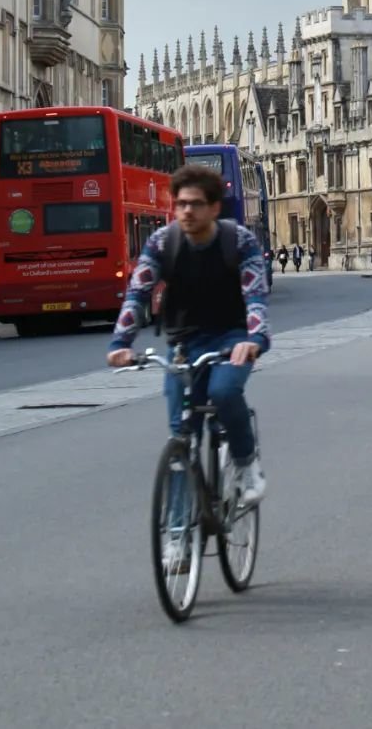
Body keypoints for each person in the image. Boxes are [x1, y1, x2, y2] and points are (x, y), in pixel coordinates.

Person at [106, 163, 269, 508]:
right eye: (180, 204)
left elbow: (255, 296)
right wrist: (121, 343)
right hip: (184, 344)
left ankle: (245, 462)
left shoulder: (239, 241)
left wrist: (254, 340)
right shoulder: (162, 243)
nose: (186, 211)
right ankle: (177, 539)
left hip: (232, 338)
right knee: (181, 436)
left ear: (214, 207)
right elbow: (138, 293)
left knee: (223, 392)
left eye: (195, 204)